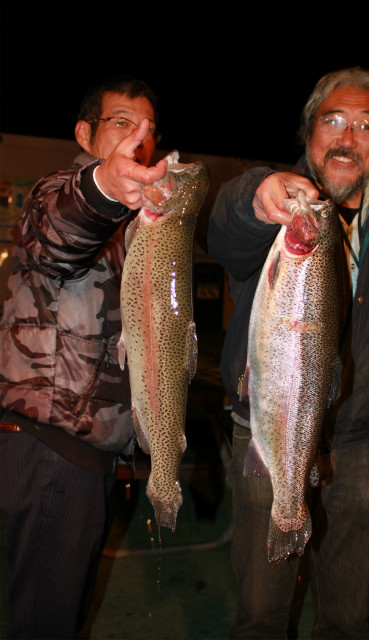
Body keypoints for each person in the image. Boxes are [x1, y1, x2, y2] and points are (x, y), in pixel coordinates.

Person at [207, 67, 369, 639]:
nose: (347, 137)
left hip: (367, 447)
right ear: (308, 133)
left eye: (366, 126)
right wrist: (257, 196)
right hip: (266, 429)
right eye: (333, 120)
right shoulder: (277, 208)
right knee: (259, 617)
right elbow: (223, 233)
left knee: (350, 621)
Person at [0, 75, 167, 639]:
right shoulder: (65, 191)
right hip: (54, 449)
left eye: (147, 132)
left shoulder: (137, 223)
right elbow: (58, 231)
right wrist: (101, 188)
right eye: (121, 122)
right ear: (84, 132)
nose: (136, 140)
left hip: (88, 455)